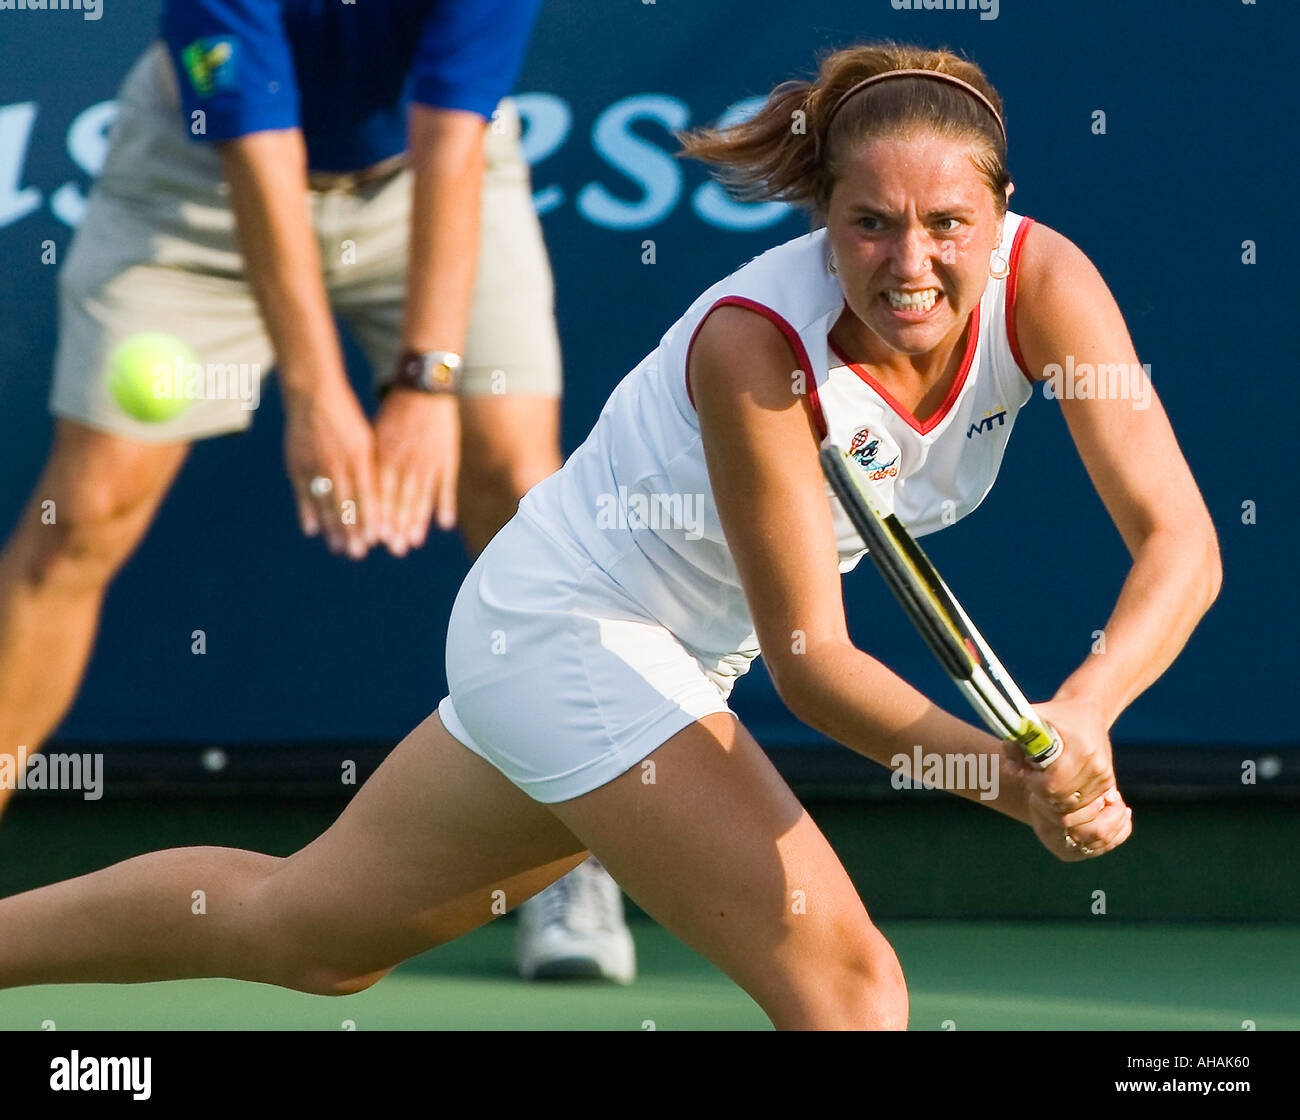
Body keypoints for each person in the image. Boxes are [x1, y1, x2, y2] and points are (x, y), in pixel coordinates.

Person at [0, 43, 1221, 1029]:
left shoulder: (1048, 285)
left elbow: (1178, 539)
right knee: (851, 996)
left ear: (1001, 210)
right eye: (870, 225)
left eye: (948, 224)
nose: (910, 263)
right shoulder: (757, 351)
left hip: (662, 660)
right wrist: (1003, 781)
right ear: (824, 217)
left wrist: (1088, 711)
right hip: (572, 632)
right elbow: (814, 664)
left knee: (310, 936)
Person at [0, 0, 633, 983]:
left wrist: (425, 382)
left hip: (426, 181)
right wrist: (316, 394)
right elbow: (256, 149)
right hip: (199, 179)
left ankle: (576, 851)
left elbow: (450, 135)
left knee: (517, 480)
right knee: (81, 513)